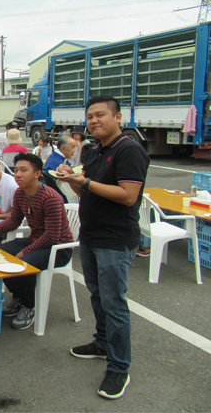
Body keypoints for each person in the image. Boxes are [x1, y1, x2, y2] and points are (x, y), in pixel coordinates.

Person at [57, 96, 149, 400]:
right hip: (92, 235)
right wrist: (72, 179)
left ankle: (119, 366)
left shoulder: (129, 149)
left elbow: (128, 195)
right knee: (97, 294)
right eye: (90, 116)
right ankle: (101, 342)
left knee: (114, 302)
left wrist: (87, 182)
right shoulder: (93, 150)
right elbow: (85, 191)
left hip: (115, 239)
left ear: (118, 116)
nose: (94, 121)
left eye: (100, 115)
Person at [0, 153, 73, 330]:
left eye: (24, 170)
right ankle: (19, 297)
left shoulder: (51, 198)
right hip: (36, 240)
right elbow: (14, 220)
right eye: (16, 170)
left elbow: (52, 236)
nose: (17, 174)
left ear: (37, 174)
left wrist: (25, 251)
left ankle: (29, 306)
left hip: (59, 248)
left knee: (23, 262)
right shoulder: (20, 193)